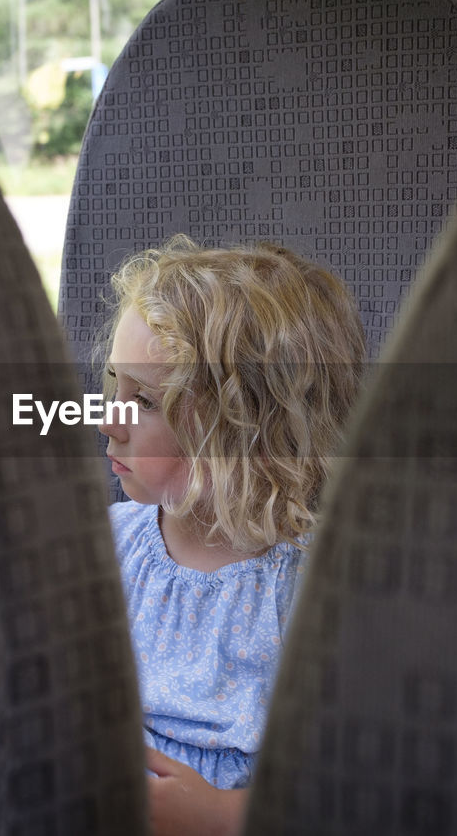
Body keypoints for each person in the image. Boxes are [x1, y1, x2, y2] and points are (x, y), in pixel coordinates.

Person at [97, 236, 365, 835]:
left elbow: (353, 781)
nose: (109, 420)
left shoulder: (312, 587)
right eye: (115, 384)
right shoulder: (106, 549)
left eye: (145, 400)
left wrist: (224, 818)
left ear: (249, 430)